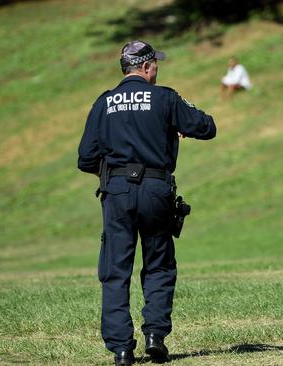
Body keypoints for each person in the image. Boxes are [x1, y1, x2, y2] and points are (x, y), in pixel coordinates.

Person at [77, 40, 217, 366]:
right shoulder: (166, 97)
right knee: (159, 264)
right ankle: (155, 335)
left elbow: (86, 158)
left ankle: (122, 349)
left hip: (117, 191)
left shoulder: (104, 102)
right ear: (147, 66)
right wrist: (173, 128)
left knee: (115, 271)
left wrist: (116, 167)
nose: (158, 70)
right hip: (156, 188)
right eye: (157, 65)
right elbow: (206, 126)